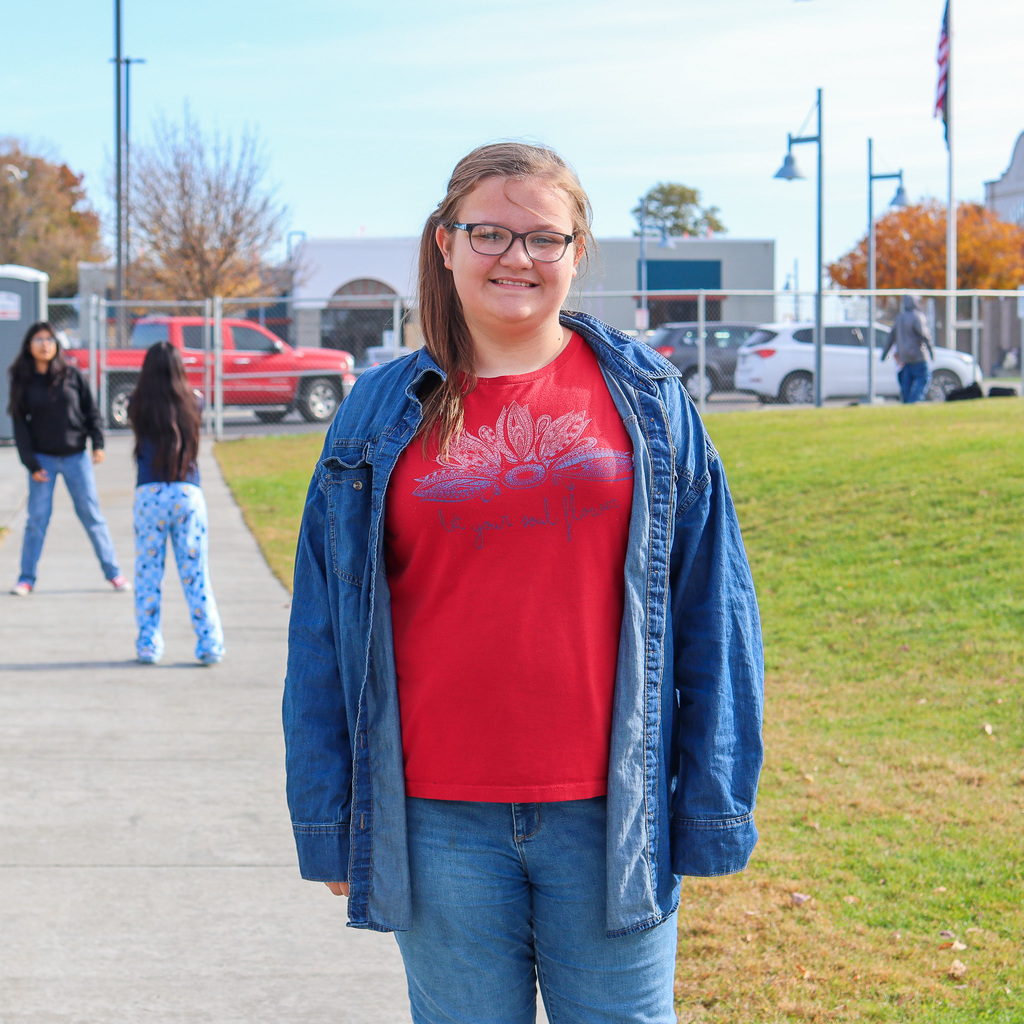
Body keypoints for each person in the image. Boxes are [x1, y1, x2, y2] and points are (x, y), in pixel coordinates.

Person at [282, 143, 764, 1024]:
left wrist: (710, 805)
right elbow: (323, 624)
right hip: (435, 819)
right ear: (446, 244)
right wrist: (330, 817)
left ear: (577, 252)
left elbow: (716, 610)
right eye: (490, 234)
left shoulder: (649, 400)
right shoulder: (375, 411)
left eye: (545, 237)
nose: (518, 257)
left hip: (611, 814)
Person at [8, 321, 129, 596]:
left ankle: (114, 573)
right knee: (37, 520)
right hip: (43, 461)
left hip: (76, 458)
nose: (45, 345)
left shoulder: (72, 375)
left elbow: (92, 412)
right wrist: (31, 463)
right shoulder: (22, 381)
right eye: (39, 339)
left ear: (57, 345)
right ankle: (26, 578)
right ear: (29, 345)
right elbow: (20, 426)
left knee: (92, 516)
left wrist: (98, 444)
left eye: (50, 339)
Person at [127, 342, 224, 665]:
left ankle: (148, 643)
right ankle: (210, 642)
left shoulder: (137, 403)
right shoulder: (194, 400)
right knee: (195, 572)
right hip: (187, 492)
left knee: (148, 573)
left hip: (149, 493)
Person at [881, 295, 935, 403]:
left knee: (907, 383)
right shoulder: (917, 317)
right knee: (923, 378)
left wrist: (884, 354)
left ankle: (906, 402)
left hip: (904, 357)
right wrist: (931, 351)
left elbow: (891, 337)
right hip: (918, 356)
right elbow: (925, 335)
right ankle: (914, 401)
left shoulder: (899, 318)